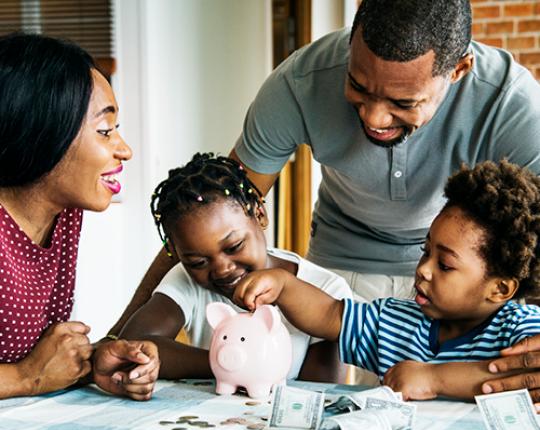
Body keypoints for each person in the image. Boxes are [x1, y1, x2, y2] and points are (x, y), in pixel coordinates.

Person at [227, 0, 540, 393]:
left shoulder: (513, 103)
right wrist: (139, 317)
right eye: (358, 86)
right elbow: (219, 212)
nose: (374, 119)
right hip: (341, 261)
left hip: (462, 271)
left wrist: (437, 379)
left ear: (458, 70)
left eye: (403, 102)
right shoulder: (298, 82)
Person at [233, 160, 540, 405]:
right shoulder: (397, 321)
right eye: (426, 251)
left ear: (499, 289)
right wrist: (285, 286)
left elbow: (529, 372)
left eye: (445, 265)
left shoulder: (519, 331)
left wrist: (433, 379)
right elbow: (329, 315)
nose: (423, 270)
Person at [0, 33, 159, 400]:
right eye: (104, 131)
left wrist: (91, 363)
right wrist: (26, 378)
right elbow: (30, 370)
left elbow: (41, 355)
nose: (125, 150)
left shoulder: (65, 214)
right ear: (40, 131)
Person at [117, 153, 351, 383]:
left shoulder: (327, 289)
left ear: (259, 214)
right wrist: (224, 362)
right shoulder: (186, 278)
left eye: (234, 246)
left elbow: (321, 391)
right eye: (198, 262)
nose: (222, 269)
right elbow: (131, 345)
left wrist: (236, 364)